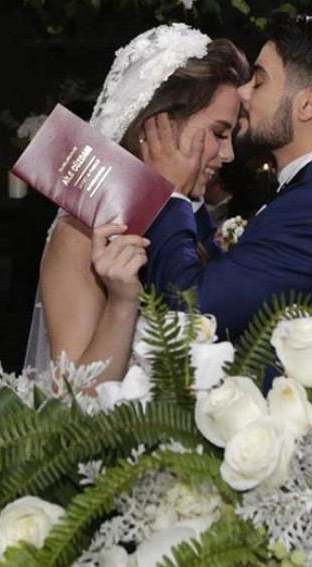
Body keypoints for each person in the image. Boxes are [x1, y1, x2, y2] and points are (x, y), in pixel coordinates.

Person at [143, 13, 312, 340]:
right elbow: (239, 287)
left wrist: (171, 192)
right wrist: (191, 197)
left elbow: (192, 312)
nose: (244, 93)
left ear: (309, 103)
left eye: (259, 81)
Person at [26, 24, 248, 381]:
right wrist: (122, 303)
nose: (229, 154)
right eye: (219, 133)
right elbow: (73, 396)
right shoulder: (81, 234)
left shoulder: (193, 219)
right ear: (161, 123)